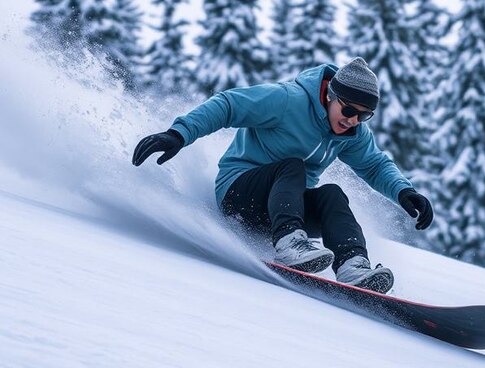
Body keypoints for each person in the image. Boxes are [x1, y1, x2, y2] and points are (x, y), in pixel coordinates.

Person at [132, 57, 433, 294]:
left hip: (285, 211)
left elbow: (375, 165)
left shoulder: (352, 133)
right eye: (349, 109)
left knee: (332, 194)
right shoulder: (288, 101)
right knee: (293, 167)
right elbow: (228, 105)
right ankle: (290, 245)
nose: (353, 120)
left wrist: (405, 192)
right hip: (239, 193)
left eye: (363, 115)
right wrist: (179, 134)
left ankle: (353, 265)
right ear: (331, 95)